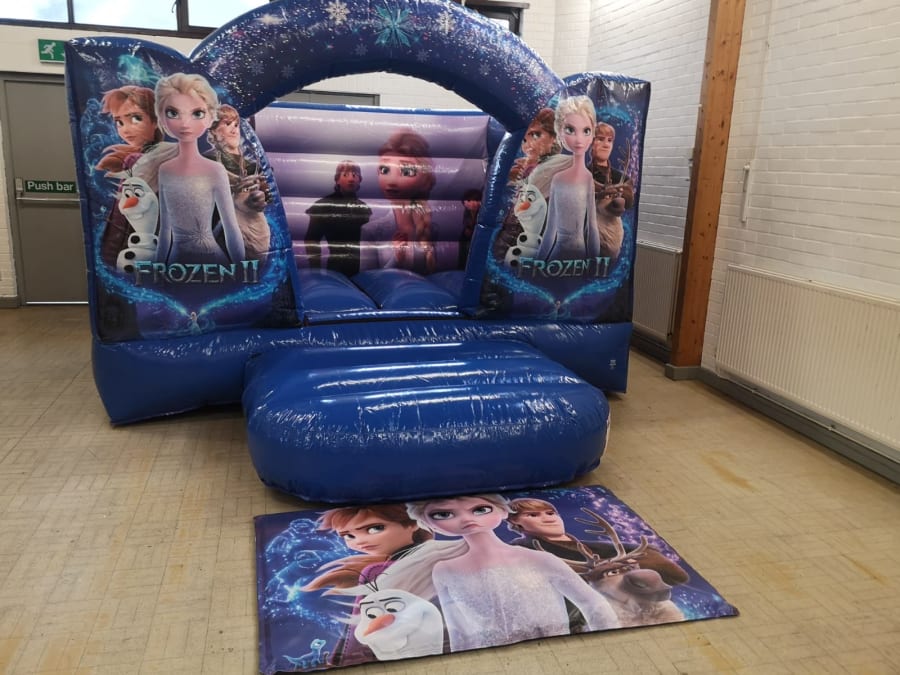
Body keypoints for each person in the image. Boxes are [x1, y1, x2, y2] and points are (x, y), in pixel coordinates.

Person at [375, 494, 619, 652]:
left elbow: (593, 603)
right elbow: (457, 626)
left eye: (480, 509)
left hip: (554, 648)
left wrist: (598, 645)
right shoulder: (445, 570)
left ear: (502, 512)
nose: (466, 519)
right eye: (443, 514)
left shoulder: (539, 558)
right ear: (427, 523)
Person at [301, 505, 434, 667]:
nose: (360, 541)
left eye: (375, 528)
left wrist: (345, 658)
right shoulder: (436, 556)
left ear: (413, 523)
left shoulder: (376, 571)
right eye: (349, 536)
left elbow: (363, 626)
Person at [152, 73, 244, 265]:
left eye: (197, 113)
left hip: (214, 263)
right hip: (175, 267)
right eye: (173, 113)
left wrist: (241, 271)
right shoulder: (165, 170)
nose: (185, 123)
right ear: (161, 117)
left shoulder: (215, 170)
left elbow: (231, 228)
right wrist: (157, 269)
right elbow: (165, 231)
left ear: (211, 117)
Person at [528, 95, 602, 262]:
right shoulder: (558, 179)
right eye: (570, 130)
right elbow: (550, 229)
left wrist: (595, 264)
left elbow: (592, 227)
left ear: (592, 133)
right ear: (560, 132)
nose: (579, 139)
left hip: (580, 256)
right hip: (557, 255)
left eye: (586, 131)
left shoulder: (587, 178)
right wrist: (538, 264)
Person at [360, 129, 437, 274]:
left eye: (406, 171)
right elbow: (366, 277)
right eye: (384, 170)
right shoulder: (371, 231)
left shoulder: (431, 229)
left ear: (424, 179)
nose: (392, 181)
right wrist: (396, 258)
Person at [205, 104, 271, 261]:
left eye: (236, 125)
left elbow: (268, 199)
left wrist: (264, 194)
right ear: (214, 130)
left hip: (253, 231)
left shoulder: (253, 164)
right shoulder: (206, 161)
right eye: (228, 124)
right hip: (219, 232)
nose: (234, 130)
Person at [303, 160, 372, 276]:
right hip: (335, 270)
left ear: (360, 180)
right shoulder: (323, 205)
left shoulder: (364, 209)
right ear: (337, 180)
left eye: (354, 175)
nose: (351, 179)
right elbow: (311, 240)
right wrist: (316, 271)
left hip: (361, 271)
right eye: (345, 175)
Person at [590, 122, 634, 261]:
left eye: (609, 140)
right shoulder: (583, 175)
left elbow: (628, 203)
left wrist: (624, 193)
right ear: (591, 143)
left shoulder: (621, 177)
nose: (606, 145)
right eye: (600, 139)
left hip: (612, 231)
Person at [507, 107, 559, 183]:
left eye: (535, 135)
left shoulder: (556, 165)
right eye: (524, 140)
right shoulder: (526, 164)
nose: (528, 144)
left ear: (553, 136)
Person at [457, 187, 481, 268]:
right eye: (469, 200)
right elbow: (467, 228)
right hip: (467, 239)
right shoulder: (466, 213)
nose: (473, 203)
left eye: (476, 200)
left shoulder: (481, 214)